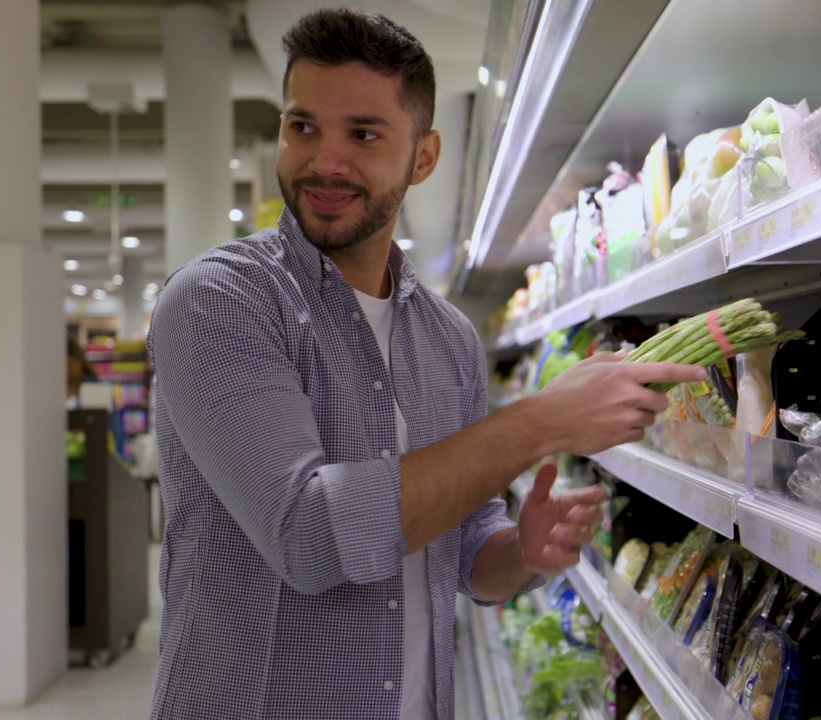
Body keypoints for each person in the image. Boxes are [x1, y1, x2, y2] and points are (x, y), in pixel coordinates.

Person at [146, 8, 704, 719]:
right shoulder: (219, 302)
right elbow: (310, 537)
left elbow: (469, 551)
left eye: (364, 134)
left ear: (424, 157)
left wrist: (524, 553)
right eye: (302, 126)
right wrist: (541, 422)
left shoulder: (448, 339)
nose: (325, 160)